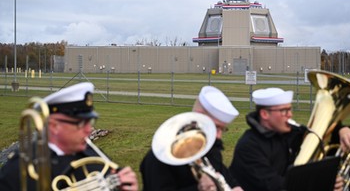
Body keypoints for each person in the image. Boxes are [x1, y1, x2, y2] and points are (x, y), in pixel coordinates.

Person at [0, 82, 139, 191]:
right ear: (54, 125)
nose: (89, 129)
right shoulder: (20, 167)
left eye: (90, 122)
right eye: (80, 124)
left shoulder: (96, 159)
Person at [229, 87, 350, 191]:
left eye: (290, 109)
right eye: (284, 111)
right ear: (265, 114)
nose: (290, 115)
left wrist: (343, 130)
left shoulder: (290, 132)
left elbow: (321, 138)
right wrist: (322, 182)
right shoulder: (249, 146)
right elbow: (274, 185)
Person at [140, 85, 243, 191]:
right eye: (216, 127)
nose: (219, 136)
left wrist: (235, 186)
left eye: (223, 129)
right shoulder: (161, 156)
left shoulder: (211, 146)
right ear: (200, 117)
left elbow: (223, 174)